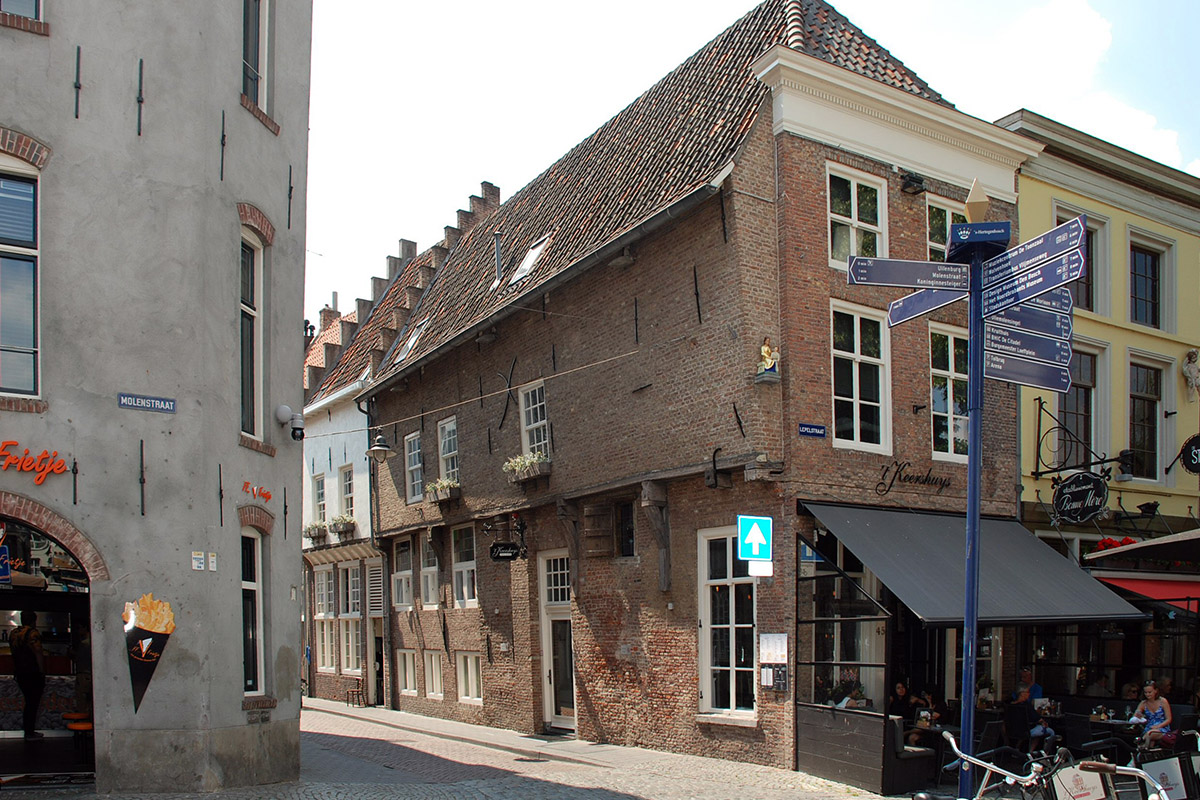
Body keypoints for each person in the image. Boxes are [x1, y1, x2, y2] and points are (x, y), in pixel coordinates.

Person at [10, 610, 45, 740]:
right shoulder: (32, 633)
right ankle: (29, 732)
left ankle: (28, 731)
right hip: (32, 672)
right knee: (33, 703)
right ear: (33, 621)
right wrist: (42, 671)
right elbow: (38, 652)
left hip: (20, 671)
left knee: (29, 702)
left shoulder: (14, 633)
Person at [1011, 683, 1055, 749]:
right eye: (1028, 692)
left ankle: (1017, 748)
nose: (1029, 694)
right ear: (1022, 694)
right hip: (1027, 731)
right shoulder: (1027, 706)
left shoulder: (1010, 705)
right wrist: (1043, 722)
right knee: (1051, 732)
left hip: (1013, 730)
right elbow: (1036, 718)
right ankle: (1037, 751)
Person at [1134, 680, 1175, 748]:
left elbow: (1169, 719)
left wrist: (1158, 726)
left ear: (1155, 691)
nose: (1147, 694)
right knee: (1151, 741)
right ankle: (1147, 751)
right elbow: (1135, 716)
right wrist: (1139, 715)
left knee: (1150, 734)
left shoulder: (1163, 701)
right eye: (1145, 692)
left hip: (1162, 728)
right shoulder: (1143, 703)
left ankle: (1141, 742)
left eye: (1149, 692)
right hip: (1149, 727)